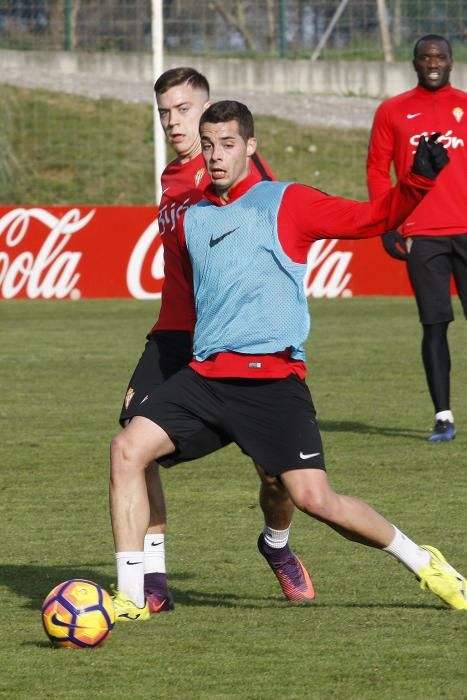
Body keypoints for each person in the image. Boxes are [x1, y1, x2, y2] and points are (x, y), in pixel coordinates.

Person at [109, 100, 467, 621]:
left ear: (251, 147)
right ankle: (131, 597)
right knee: (126, 450)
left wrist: (416, 182)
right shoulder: (191, 218)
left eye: (228, 144)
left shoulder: (288, 201)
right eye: (207, 144)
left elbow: (373, 219)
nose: (215, 155)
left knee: (314, 500)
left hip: (272, 382)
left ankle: (423, 561)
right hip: (207, 378)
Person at [118, 68, 314, 616]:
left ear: (205, 112)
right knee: (134, 447)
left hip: (238, 341)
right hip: (171, 336)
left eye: (183, 110)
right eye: (164, 113)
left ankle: (275, 544)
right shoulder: (169, 177)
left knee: (276, 477)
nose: (173, 122)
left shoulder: (228, 174)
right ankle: (151, 584)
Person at [367, 34, 467, 443]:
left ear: (451, 61)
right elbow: (377, 170)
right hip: (422, 233)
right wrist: (386, 223)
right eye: (426, 57)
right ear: (414, 63)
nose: (433, 63)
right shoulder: (393, 110)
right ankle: (443, 416)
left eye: (440, 57)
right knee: (434, 325)